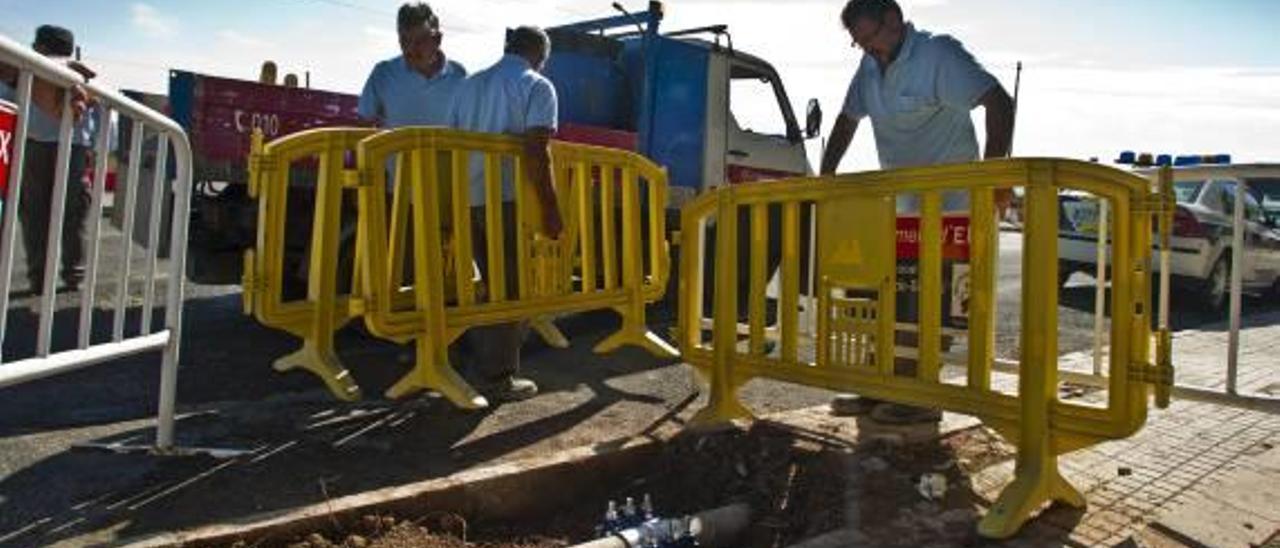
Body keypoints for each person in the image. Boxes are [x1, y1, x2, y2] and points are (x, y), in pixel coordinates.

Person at [820, 0, 1014, 424]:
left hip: (954, 209)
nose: (868, 48)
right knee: (895, 296)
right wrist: (826, 176)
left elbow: (999, 102)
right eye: (859, 43)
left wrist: (996, 177)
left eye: (872, 37)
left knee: (937, 299)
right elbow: (846, 119)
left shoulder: (938, 55)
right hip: (904, 209)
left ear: (894, 19)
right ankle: (879, 387)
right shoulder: (870, 66)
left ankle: (920, 395)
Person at [447, 26, 564, 402]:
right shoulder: (537, 86)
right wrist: (551, 208)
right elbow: (536, 150)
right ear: (539, 55)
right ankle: (494, 377)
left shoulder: (468, 85)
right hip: (506, 199)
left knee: (486, 280)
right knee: (510, 286)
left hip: (468, 196)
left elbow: (450, 140)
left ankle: (474, 362)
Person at [0, 25, 97, 292]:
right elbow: (100, 122)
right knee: (73, 213)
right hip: (73, 147)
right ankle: (72, 275)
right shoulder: (85, 79)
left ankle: (40, 278)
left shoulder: (24, 71)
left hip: (34, 145)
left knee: (36, 213)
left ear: (41, 48)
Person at [357, 2, 466, 129]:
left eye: (420, 41)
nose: (411, 49)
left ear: (437, 40)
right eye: (405, 40)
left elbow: (468, 127)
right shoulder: (383, 74)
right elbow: (362, 127)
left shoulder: (459, 76)